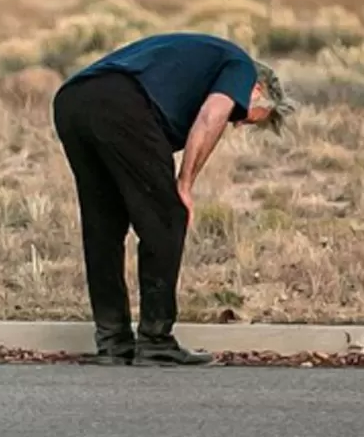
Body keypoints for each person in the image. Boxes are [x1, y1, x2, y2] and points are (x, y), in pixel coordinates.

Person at [51, 32, 293, 367]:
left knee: (103, 226)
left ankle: (113, 343)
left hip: (72, 100)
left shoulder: (202, 61)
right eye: (243, 116)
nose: (236, 124)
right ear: (257, 90)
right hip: (120, 102)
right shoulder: (241, 67)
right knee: (168, 218)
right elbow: (211, 116)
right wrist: (185, 185)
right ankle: (155, 341)